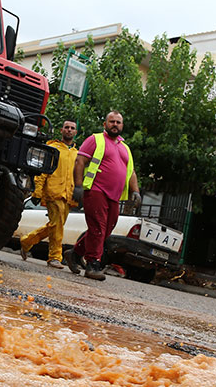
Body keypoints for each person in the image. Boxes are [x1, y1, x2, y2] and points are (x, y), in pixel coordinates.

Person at [64, 111, 141, 281]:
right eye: (111, 121)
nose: (115, 124)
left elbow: (131, 172)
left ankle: (75, 254)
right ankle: (93, 264)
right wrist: (78, 186)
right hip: (95, 190)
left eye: (118, 122)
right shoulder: (95, 140)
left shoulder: (125, 148)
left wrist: (136, 191)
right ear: (105, 124)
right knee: (98, 227)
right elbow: (80, 162)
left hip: (114, 196)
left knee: (106, 229)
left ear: (122, 126)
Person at [19, 121, 79, 269]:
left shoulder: (77, 154)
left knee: (55, 226)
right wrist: (37, 192)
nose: (69, 130)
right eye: (66, 127)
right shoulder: (52, 148)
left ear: (76, 132)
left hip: (69, 195)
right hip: (53, 192)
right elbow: (42, 172)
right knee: (57, 226)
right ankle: (54, 257)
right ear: (61, 130)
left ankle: (27, 241)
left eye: (72, 128)